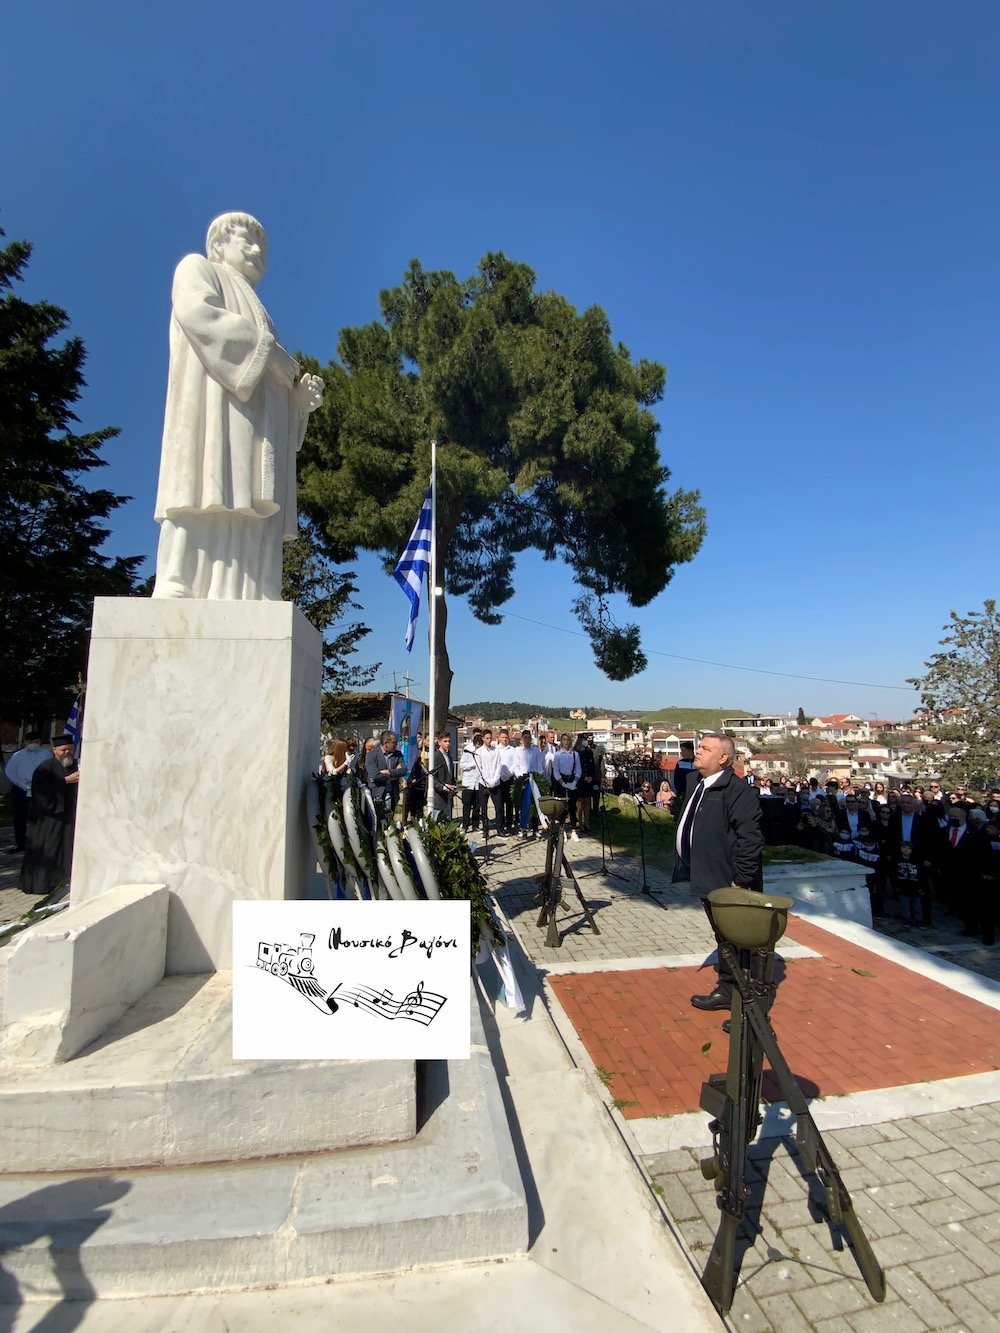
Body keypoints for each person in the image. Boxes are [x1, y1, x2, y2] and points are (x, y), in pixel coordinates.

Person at [152, 212, 324, 600]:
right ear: (219, 245)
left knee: (249, 503)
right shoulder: (197, 268)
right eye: (246, 241)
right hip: (212, 413)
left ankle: (251, 587)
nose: (256, 251)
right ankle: (178, 577)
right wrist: (270, 354)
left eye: (261, 246)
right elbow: (199, 315)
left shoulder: (261, 309)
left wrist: (297, 405)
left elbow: (270, 385)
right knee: (201, 486)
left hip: (253, 428)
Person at [671, 734, 764, 1011]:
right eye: (699, 747)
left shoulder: (738, 792)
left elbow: (751, 841)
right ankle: (727, 990)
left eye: (705, 749)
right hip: (705, 876)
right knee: (723, 938)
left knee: (739, 943)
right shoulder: (695, 783)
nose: (697, 752)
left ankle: (747, 1007)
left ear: (723, 758)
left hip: (729, 883)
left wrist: (740, 881)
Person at [19, 734, 80, 896]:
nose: (67, 752)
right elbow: (41, 792)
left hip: (68, 817)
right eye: (63, 750)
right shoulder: (45, 768)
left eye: (70, 749)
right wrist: (65, 780)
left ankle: (64, 882)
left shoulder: (75, 765)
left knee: (67, 851)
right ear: (54, 750)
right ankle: (43, 885)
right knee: (49, 851)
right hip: (48, 820)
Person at [4, 731, 51, 855]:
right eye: (29, 742)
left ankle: (37, 843)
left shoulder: (46, 754)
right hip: (20, 789)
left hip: (39, 789)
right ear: (25, 742)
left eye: (35, 742)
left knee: (38, 818)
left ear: (40, 742)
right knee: (19, 817)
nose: (32, 744)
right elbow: (10, 771)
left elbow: (47, 771)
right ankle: (20, 843)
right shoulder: (18, 755)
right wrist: (21, 784)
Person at [365, 731, 406, 820]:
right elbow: (375, 775)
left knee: (390, 823)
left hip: (393, 793)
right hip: (378, 794)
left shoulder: (398, 755)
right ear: (386, 743)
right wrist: (394, 775)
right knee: (378, 821)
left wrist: (389, 772)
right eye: (394, 743)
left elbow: (403, 770)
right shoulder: (371, 755)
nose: (396, 745)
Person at [551, 733, 582, 840]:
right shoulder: (557, 755)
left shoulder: (575, 755)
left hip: (572, 780)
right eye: (564, 740)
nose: (566, 742)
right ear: (561, 741)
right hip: (561, 782)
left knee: (573, 806)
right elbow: (556, 771)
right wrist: (562, 783)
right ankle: (562, 829)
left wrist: (574, 782)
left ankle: (574, 830)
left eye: (568, 740)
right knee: (562, 807)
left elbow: (578, 770)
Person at [429, 733, 457, 822]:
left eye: (449, 741)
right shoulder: (436, 756)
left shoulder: (449, 756)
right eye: (445, 741)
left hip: (449, 794)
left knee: (447, 820)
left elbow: (451, 774)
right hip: (439, 795)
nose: (448, 743)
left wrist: (454, 787)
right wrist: (443, 786)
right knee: (437, 820)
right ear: (439, 742)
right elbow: (431, 777)